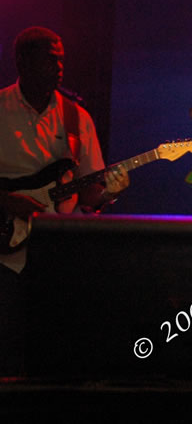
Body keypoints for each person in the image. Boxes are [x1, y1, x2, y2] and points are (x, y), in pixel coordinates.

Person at [0, 26, 129, 374]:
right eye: (50, 59)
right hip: (4, 252)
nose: (59, 67)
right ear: (23, 61)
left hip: (55, 253)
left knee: (53, 346)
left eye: (62, 60)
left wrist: (110, 192)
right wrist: (7, 202)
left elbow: (90, 195)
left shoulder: (76, 117)